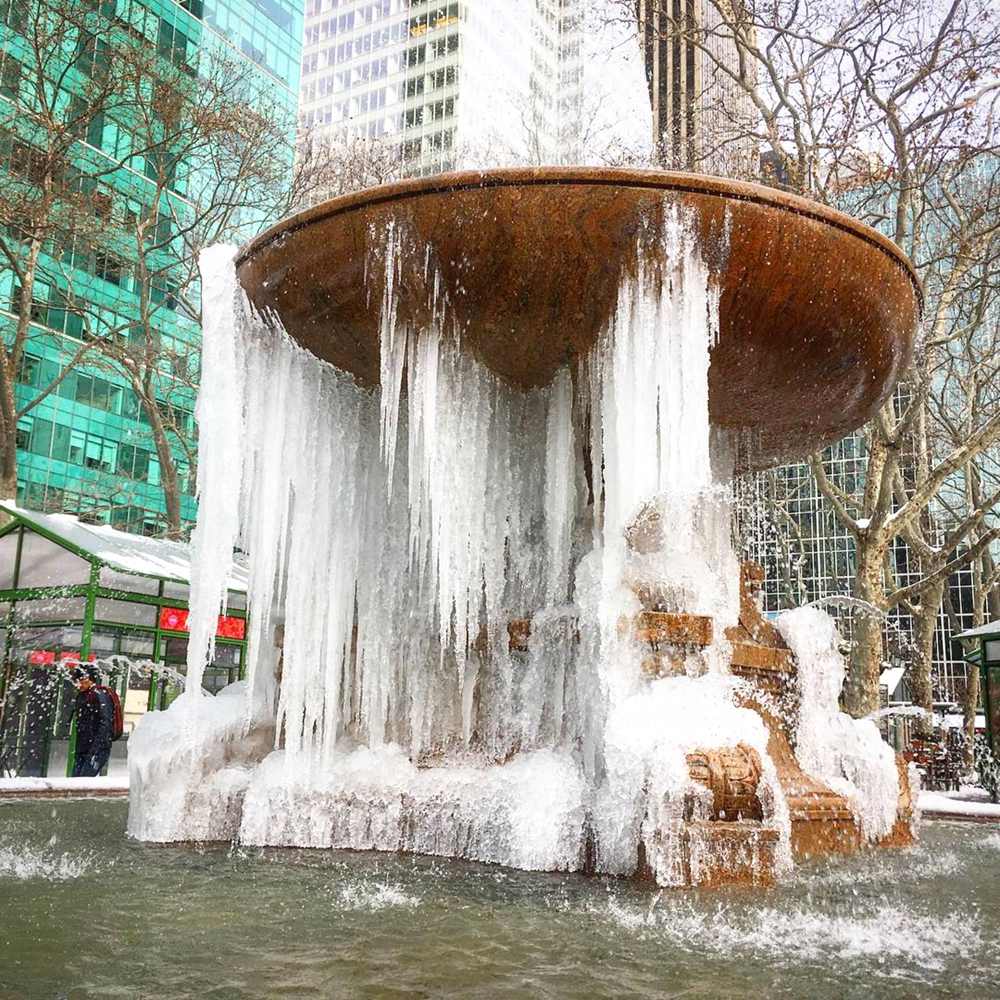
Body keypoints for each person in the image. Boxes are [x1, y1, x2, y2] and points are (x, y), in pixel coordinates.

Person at [70, 666, 114, 778]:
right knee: (76, 782)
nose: (78, 684)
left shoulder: (99, 695)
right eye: (76, 681)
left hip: (96, 749)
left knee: (83, 782)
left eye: (80, 680)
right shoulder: (83, 695)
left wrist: (96, 748)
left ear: (89, 679)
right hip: (83, 748)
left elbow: (105, 723)